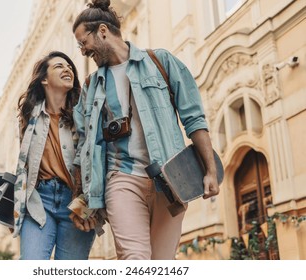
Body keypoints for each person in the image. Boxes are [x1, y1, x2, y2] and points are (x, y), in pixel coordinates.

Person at [70, 0, 220, 260]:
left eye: (84, 42)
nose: (83, 51)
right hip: (121, 179)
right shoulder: (91, 86)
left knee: (162, 262)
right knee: (134, 259)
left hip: (171, 180)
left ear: (103, 31)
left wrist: (210, 170)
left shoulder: (160, 61)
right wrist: (83, 198)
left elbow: (194, 118)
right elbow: (83, 146)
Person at [12, 51, 95, 260]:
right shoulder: (29, 117)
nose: (67, 69)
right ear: (44, 79)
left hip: (77, 200)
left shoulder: (85, 113)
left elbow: (96, 161)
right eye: (59, 66)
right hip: (39, 199)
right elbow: (23, 168)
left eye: (69, 67)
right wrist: (17, 207)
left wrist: (90, 207)